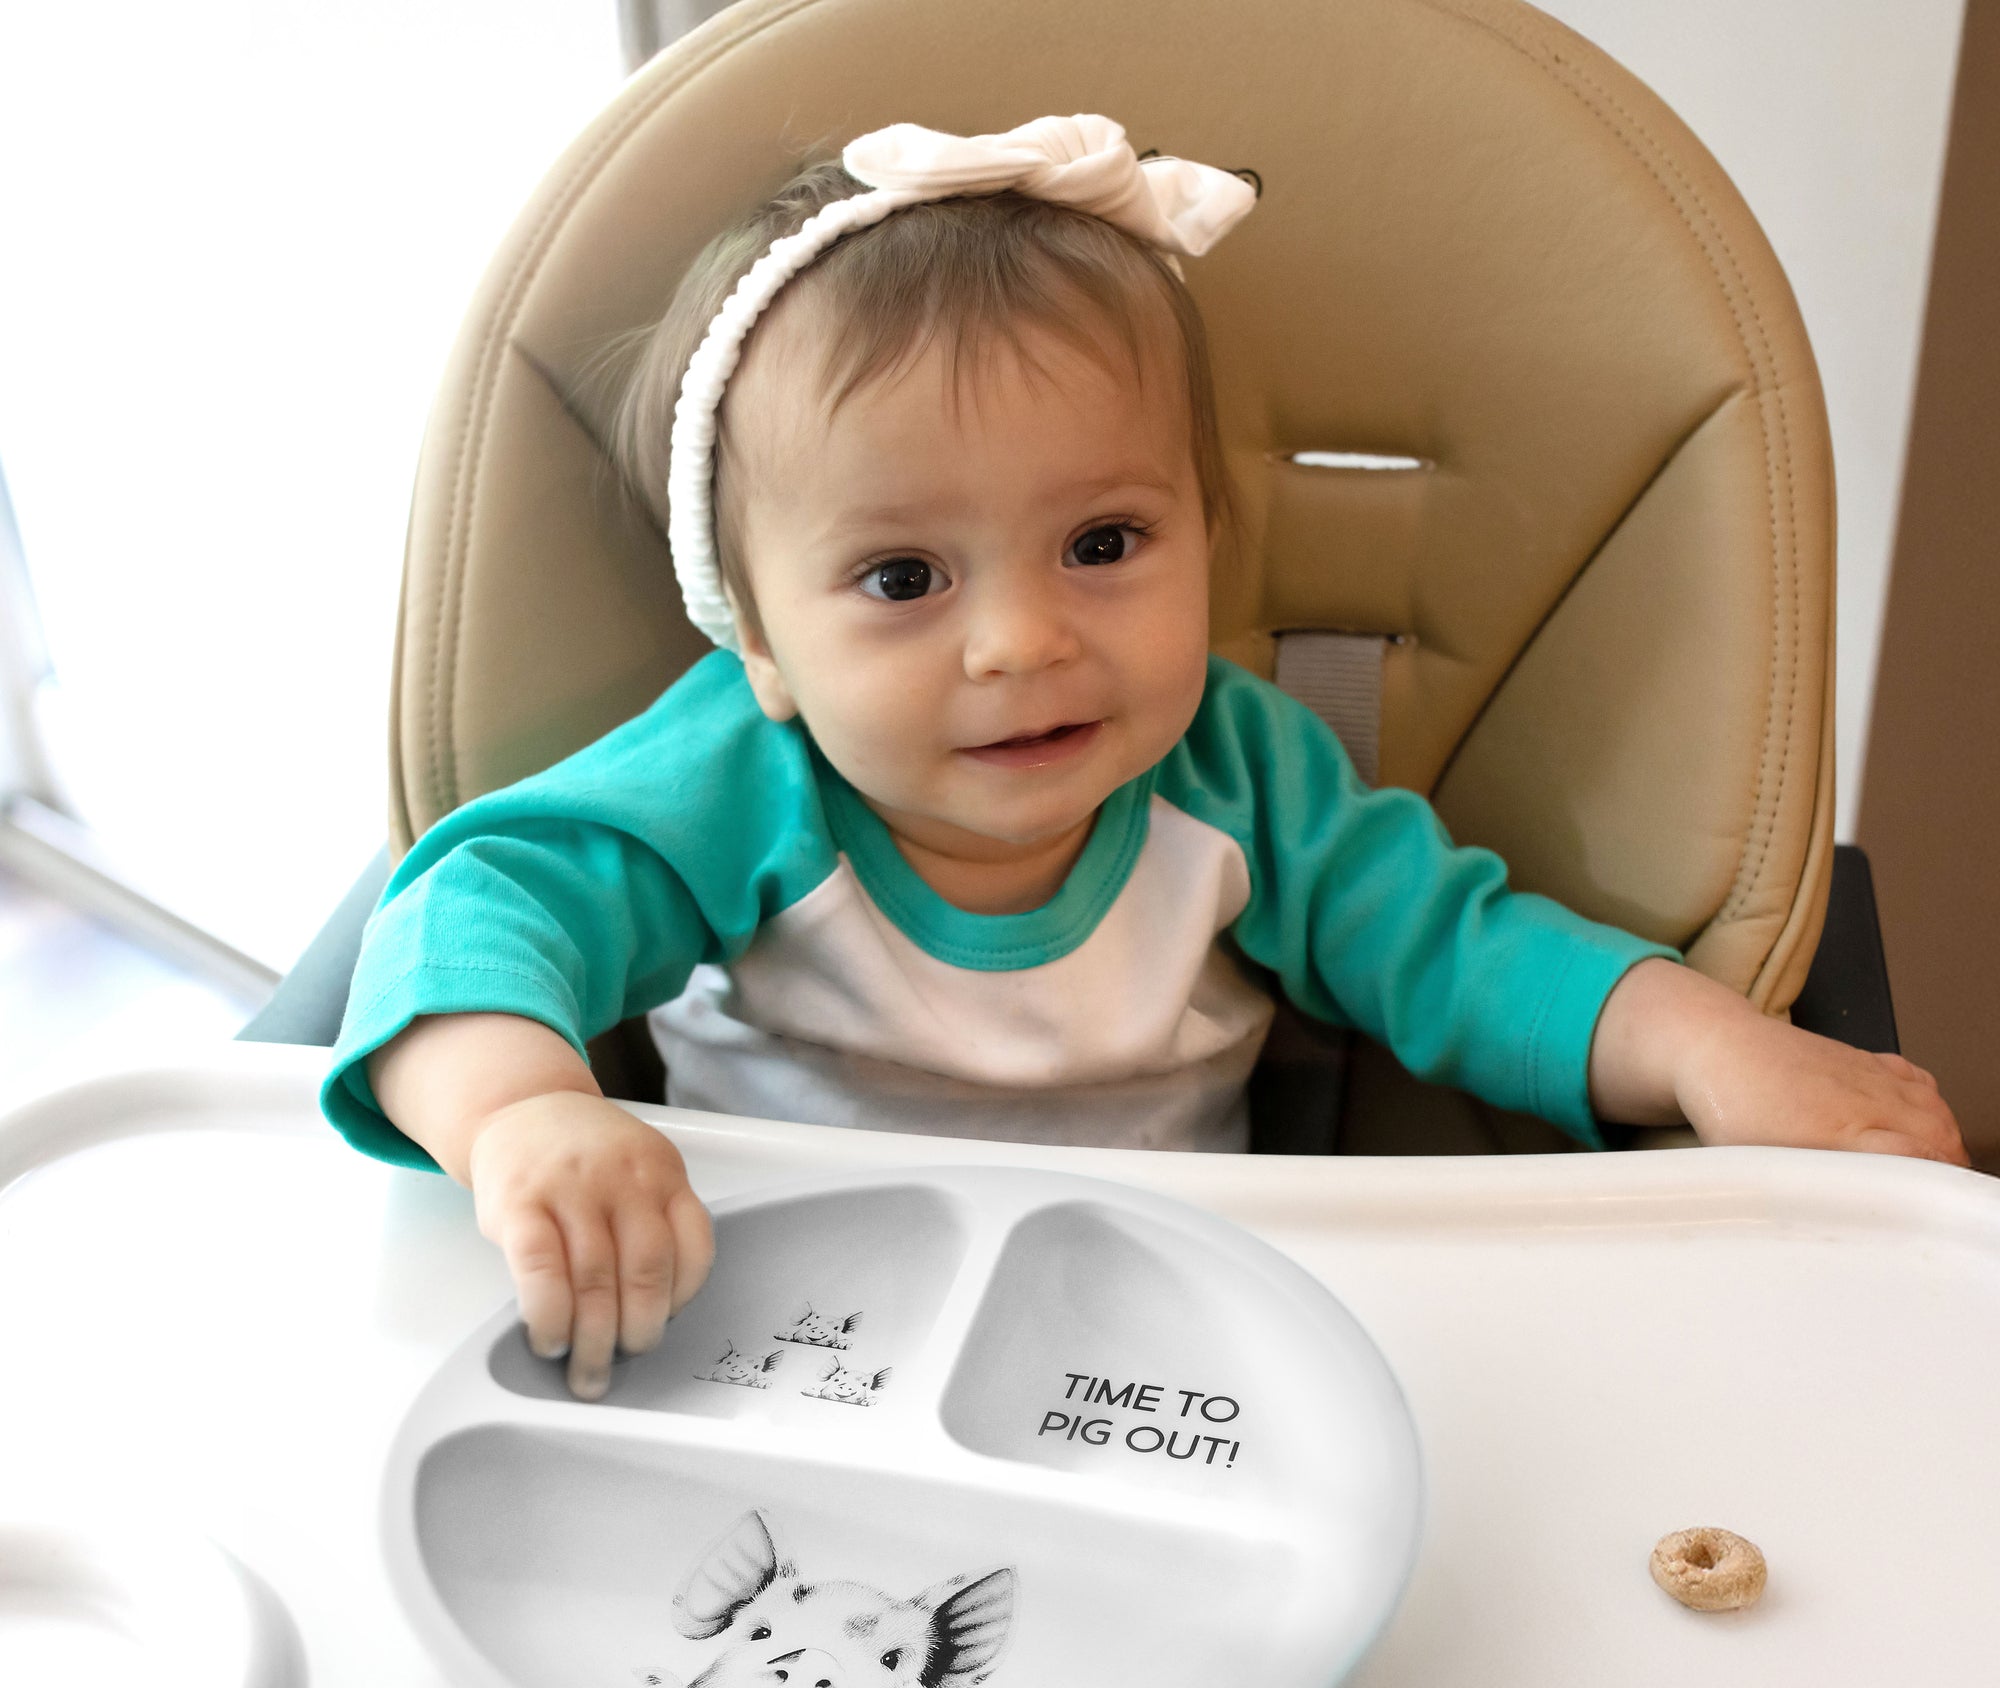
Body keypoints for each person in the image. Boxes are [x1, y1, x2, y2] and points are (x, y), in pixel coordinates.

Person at [323, 116, 1966, 1399]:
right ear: (756, 642)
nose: (1021, 642)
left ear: (1207, 538)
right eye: (902, 579)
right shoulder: (743, 779)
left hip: (1162, 1346)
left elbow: (1464, 952)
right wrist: (523, 1116)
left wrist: (1708, 1048)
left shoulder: (1236, 779)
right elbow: (468, 916)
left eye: (1104, 544)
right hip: (763, 1321)